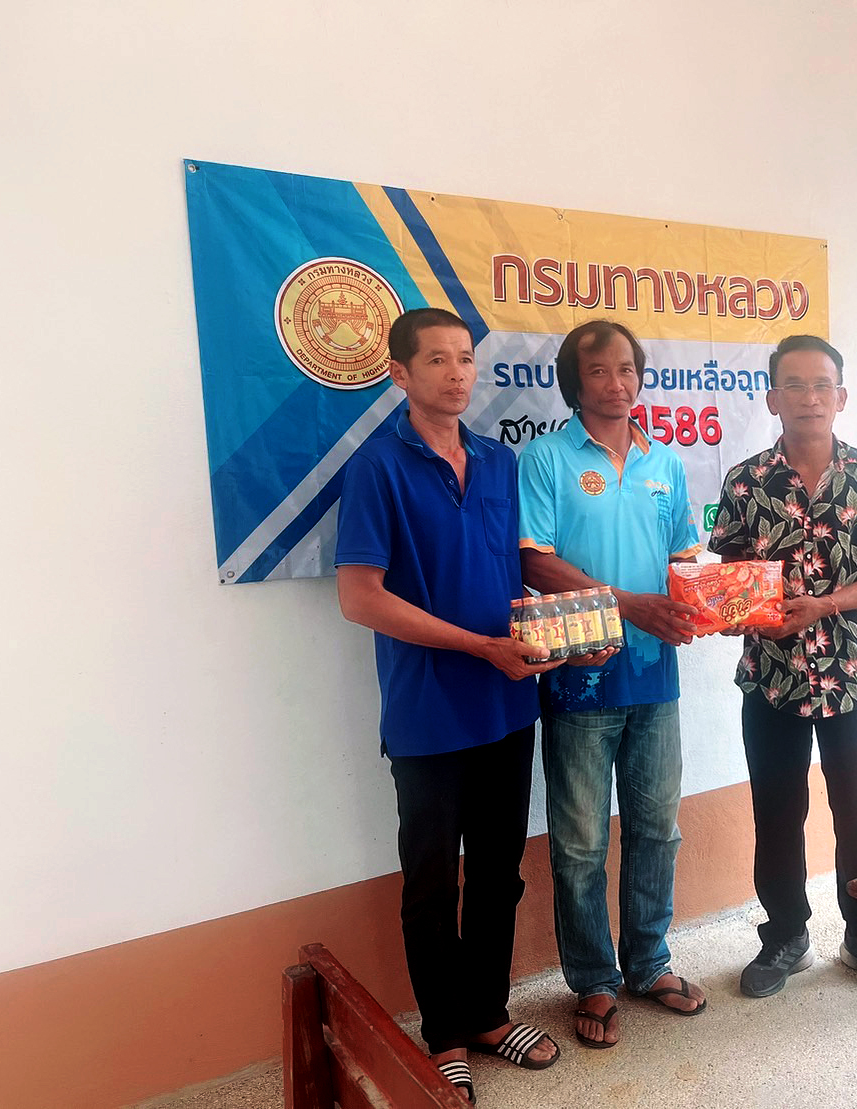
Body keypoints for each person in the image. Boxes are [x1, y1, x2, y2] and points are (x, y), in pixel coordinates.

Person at [335, 307, 569, 1103]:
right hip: (427, 712)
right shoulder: (377, 467)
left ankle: (489, 1015)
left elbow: (513, 574)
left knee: (499, 873)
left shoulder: (498, 463)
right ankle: (443, 1034)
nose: (456, 373)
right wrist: (479, 647)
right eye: (435, 359)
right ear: (399, 373)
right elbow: (360, 598)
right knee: (431, 882)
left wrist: (579, 630)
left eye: (465, 358)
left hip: (506, 703)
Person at [707, 334, 857, 998]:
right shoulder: (745, 481)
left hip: (852, 674)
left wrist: (825, 603)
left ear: (841, 396)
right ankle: (784, 937)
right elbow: (730, 578)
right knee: (776, 812)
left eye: (821, 384)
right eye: (794, 385)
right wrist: (732, 610)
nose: (809, 397)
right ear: (772, 397)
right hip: (771, 676)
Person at [517, 319, 707, 1049]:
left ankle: (649, 962)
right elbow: (534, 560)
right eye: (598, 370)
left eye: (627, 368)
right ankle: (594, 979)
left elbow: (683, 557)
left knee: (658, 828)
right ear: (574, 382)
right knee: (580, 843)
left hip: (655, 675)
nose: (616, 382)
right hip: (580, 679)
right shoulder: (545, 458)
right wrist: (629, 604)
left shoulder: (666, 461)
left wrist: (711, 602)